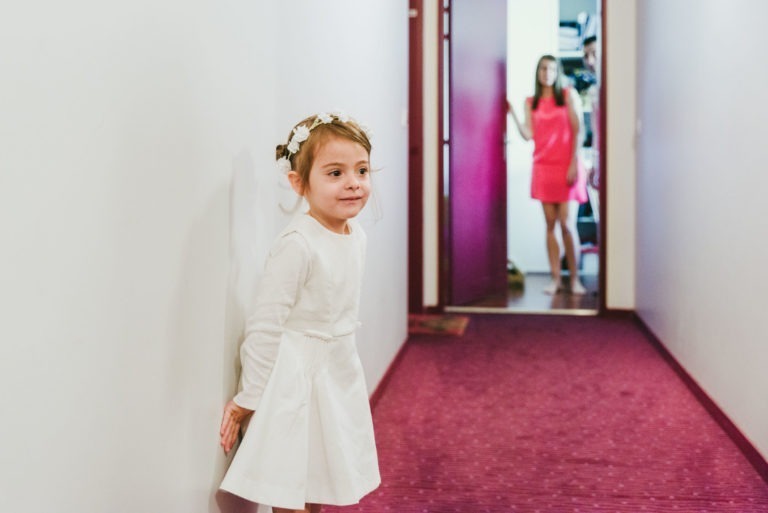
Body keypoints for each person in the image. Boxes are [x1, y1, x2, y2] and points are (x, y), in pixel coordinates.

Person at [219, 112, 381, 513]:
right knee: (290, 484)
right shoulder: (297, 244)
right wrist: (249, 397)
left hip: (337, 372)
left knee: (321, 479)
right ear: (299, 183)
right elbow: (266, 324)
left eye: (361, 170)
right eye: (335, 173)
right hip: (295, 380)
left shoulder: (355, 234)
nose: (353, 183)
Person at [507, 55, 588, 295]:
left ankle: (574, 278)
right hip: (543, 167)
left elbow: (579, 131)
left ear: (557, 72)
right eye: (543, 68)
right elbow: (527, 134)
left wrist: (574, 162)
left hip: (567, 165)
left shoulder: (568, 96)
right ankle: (555, 279)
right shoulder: (530, 102)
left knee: (567, 224)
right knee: (550, 225)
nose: (547, 73)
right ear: (538, 72)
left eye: (552, 69)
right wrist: (512, 114)